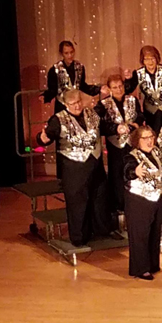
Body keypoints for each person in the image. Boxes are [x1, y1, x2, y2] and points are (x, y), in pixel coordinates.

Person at [36, 89, 115, 246]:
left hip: (95, 163)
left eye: (79, 102)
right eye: (73, 104)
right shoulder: (58, 120)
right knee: (78, 203)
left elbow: (103, 128)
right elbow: (46, 137)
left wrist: (117, 128)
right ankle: (79, 237)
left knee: (99, 198)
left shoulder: (91, 114)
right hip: (74, 168)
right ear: (65, 104)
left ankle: (101, 231)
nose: (77, 106)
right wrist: (41, 139)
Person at [123, 126, 162, 280]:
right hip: (138, 199)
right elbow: (127, 171)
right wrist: (134, 172)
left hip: (156, 198)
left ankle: (152, 264)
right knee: (140, 235)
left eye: (151, 137)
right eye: (145, 138)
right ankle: (140, 269)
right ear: (137, 141)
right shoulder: (131, 156)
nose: (149, 141)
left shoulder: (157, 153)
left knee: (154, 233)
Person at [96, 74, 144, 213]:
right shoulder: (104, 104)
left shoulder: (132, 99)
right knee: (116, 175)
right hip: (115, 144)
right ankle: (119, 206)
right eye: (115, 87)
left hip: (132, 143)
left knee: (133, 171)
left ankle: (134, 202)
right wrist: (115, 129)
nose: (118, 89)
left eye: (120, 86)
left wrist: (136, 123)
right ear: (109, 89)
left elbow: (140, 116)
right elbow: (99, 126)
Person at [124, 45, 162, 133]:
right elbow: (128, 90)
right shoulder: (138, 73)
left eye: (152, 58)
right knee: (153, 134)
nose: (150, 62)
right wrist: (128, 80)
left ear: (157, 59)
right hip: (150, 112)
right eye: (147, 59)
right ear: (143, 61)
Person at [42, 40, 108, 113]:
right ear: (61, 53)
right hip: (62, 106)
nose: (70, 56)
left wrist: (98, 89)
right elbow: (53, 90)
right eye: (66, 53)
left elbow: (82, 86)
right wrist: (45, 97)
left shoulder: (79, 67)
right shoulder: (55, 70)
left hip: (77, 105)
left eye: (71, 52)